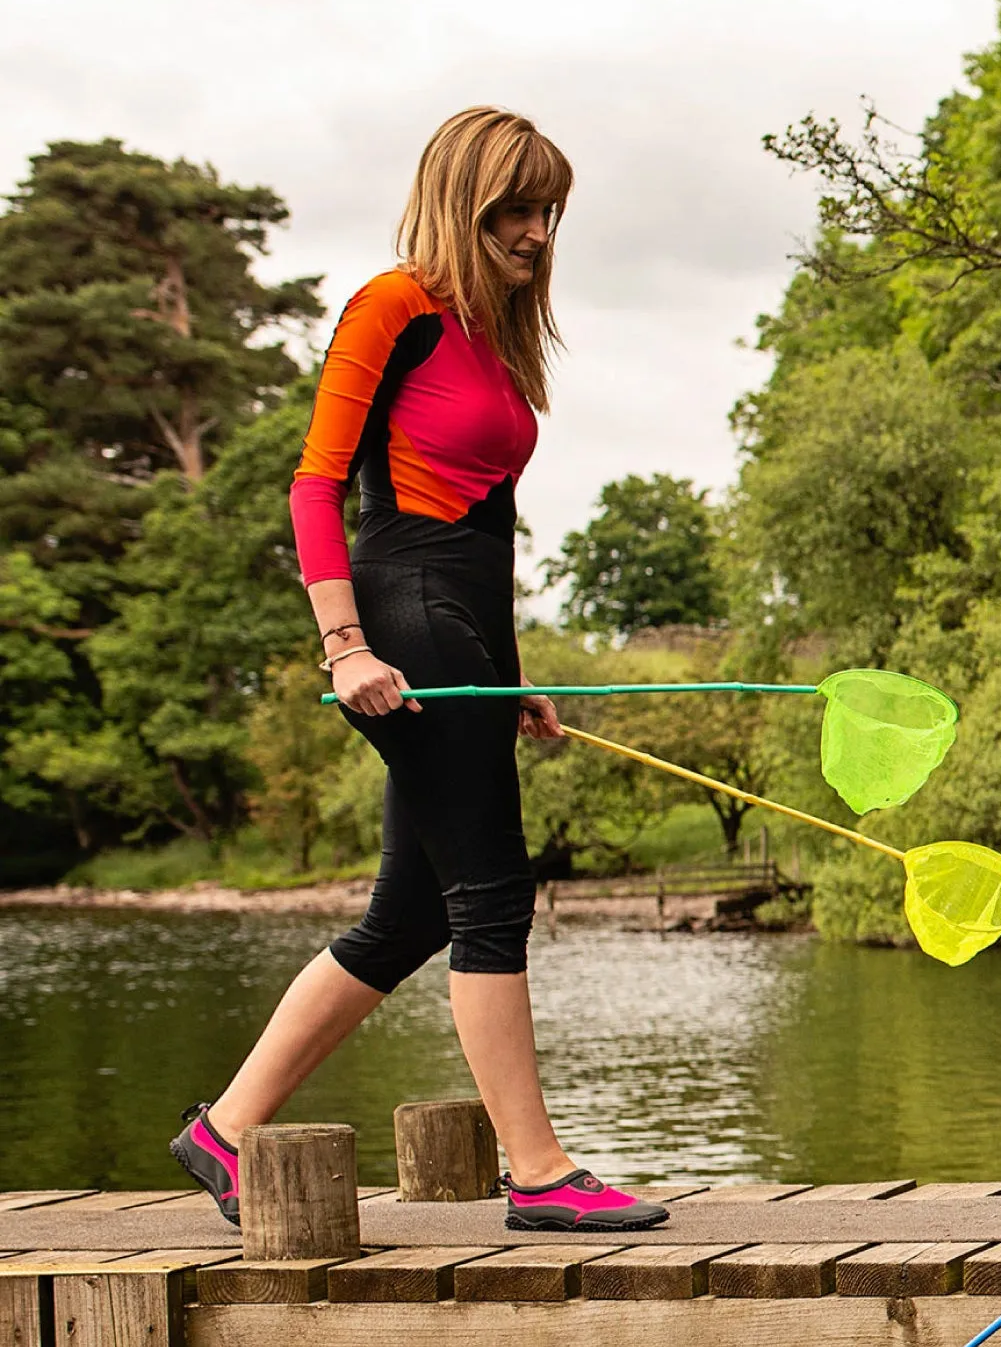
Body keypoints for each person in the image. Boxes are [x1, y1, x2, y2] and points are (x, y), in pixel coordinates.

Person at [169, 107, 666, 1235]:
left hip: (465, 624)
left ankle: (226, 1130)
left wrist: (514, 675)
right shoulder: (392, 306)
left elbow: (491, 531)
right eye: (515, 210)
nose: (537, 231)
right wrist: (346, 645)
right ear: (463, 199)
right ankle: (535, 1170)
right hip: (402, 608)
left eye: (549, 212)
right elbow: (315, 484)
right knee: (491, 891)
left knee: (409, 915)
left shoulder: (493, 339)